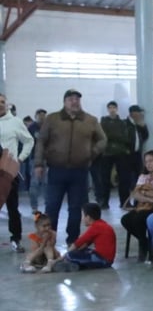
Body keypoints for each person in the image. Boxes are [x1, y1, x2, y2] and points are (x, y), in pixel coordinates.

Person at [35, 89, 106, 244]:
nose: (74, 102)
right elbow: (41, 141)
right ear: (64, 102)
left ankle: (73, 240)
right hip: (56, 170)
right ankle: (48, 240)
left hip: (80, 171)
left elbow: (102, 140)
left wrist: (91, 153)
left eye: (77, 99)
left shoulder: (90, 120)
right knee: (52, 207)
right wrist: (38, 163)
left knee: (76, 209)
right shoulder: (52, 119)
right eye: (70, 99)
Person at [119, 151, 153, 262]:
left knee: (139, 219)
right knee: (125, 219)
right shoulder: (143, 176)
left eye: (151, 161)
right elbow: (136, 195)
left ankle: (145, 246)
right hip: (143, 206)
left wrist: (144, 192)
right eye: (146, 162)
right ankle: (145, 242)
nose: (148, 164)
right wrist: (150, 197)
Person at [0, 93, 34, 251]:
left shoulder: (14, 122)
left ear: (6, 104)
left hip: (8, 171)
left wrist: (20, 159)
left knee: (12, 207)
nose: (0, 104)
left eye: (2, 102)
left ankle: (16, 238)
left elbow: (29, 141)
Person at [52, 203, 116, 272]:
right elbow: (85, 244)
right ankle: (74, 264)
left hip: (103, 260)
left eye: (82, 216)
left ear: (88, 217)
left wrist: (62, 258)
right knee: (80, 252)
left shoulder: (96, 227)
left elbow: (78, 243)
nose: (82, 219)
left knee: (70, 255)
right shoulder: (101, 224)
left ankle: (71, 264)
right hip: (105, 259)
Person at [97, 100, 133, 209]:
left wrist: (112, 136)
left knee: (124, 179)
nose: (112, 110)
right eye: (110, 108)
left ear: (117, 109)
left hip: (121, 153)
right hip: (107, 153)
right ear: (108, 109)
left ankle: (124, 202)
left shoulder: (123, 123)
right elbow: (102, 136)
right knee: (104, 179)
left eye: (114, 108)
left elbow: (126, 138)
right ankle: (104, 202)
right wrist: (115, 137)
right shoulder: (103, 121)